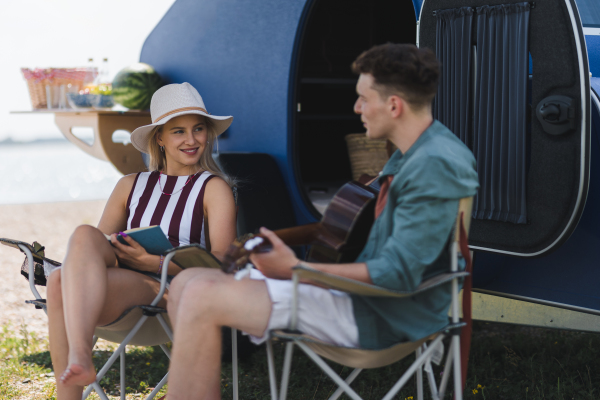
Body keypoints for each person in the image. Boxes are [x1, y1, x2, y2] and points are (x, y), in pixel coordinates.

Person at [164, 43, 480, 399]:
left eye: (363, 98)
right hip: (357, 295)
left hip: (382, 314)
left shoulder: (435, 165)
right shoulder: (414, 154)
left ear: (394, 106)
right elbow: (352, 228)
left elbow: (398, 275)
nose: (356, 107)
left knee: (202, 294)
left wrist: (297, 268)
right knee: (186, 282)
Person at [46, 82, 238, 400]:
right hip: (122, 288)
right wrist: (124, 249)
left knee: (59, 281)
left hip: (168, 293)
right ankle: (80, 359)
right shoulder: (129, 185)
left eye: (199, 129)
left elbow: (222, 264)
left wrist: (154, 262)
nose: (192, 140)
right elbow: (95, 249)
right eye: (178, 131)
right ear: (159, 138)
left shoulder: (212, 187)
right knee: (69, 259)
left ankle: (80, 360)